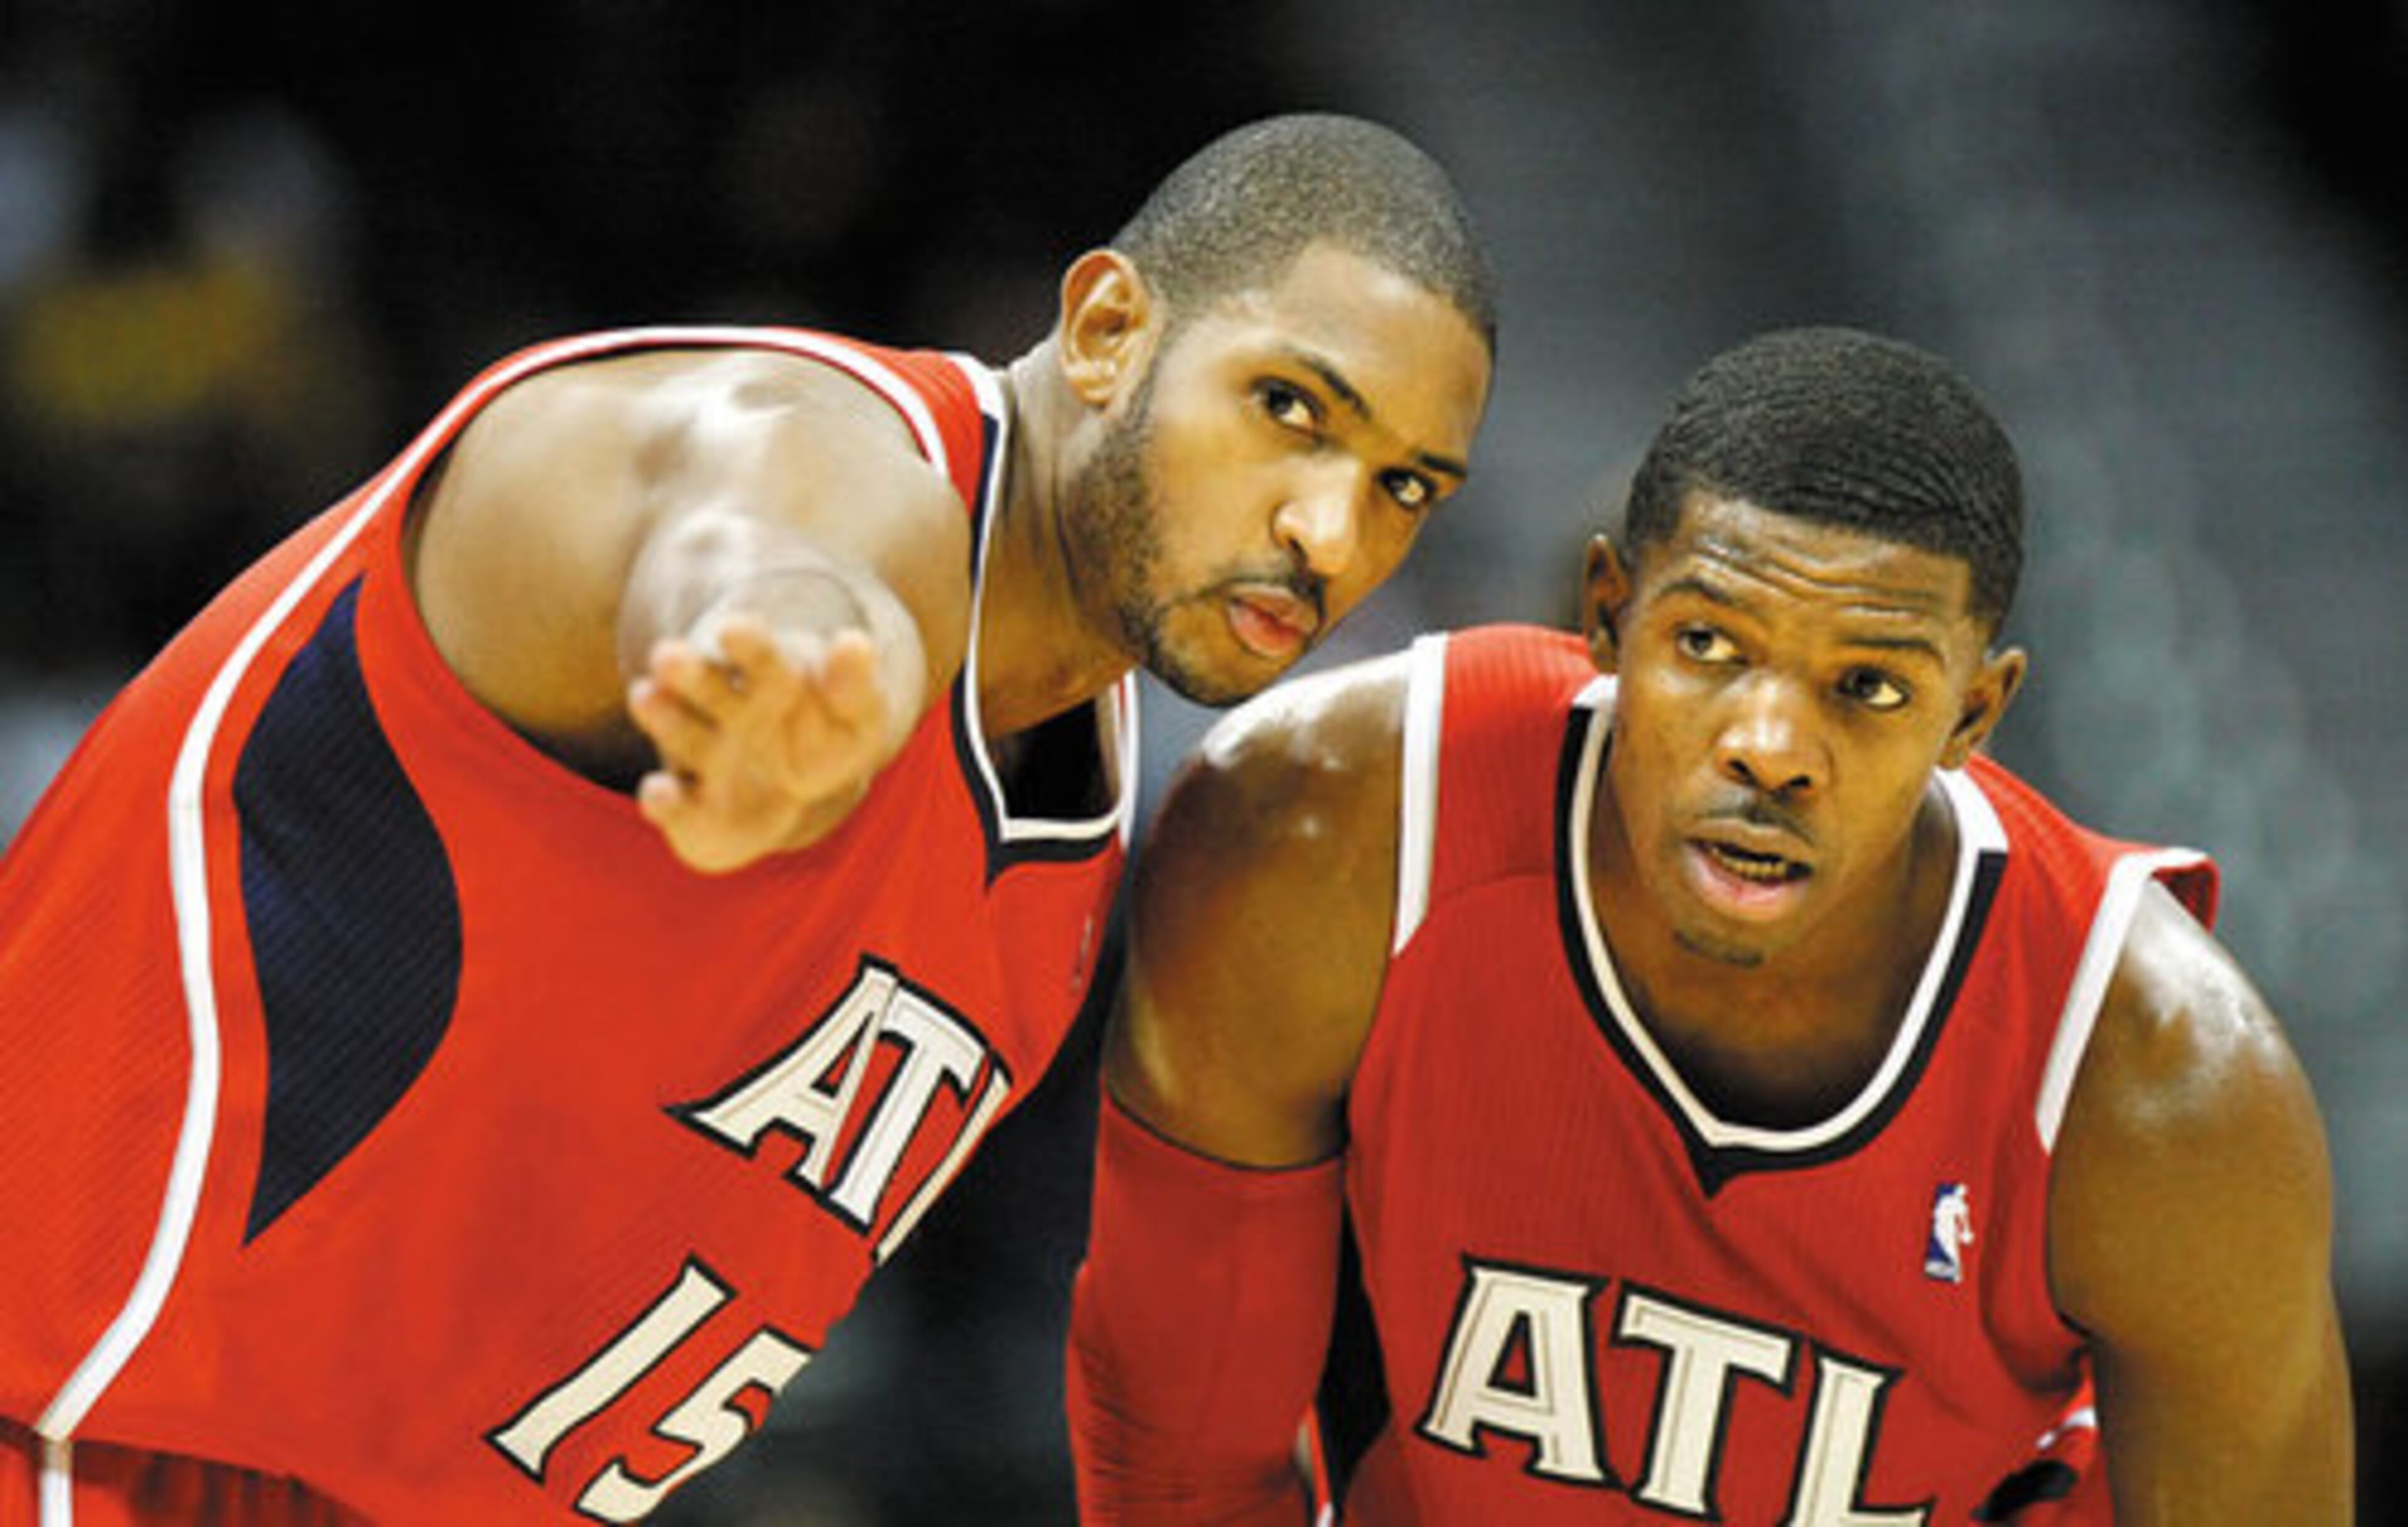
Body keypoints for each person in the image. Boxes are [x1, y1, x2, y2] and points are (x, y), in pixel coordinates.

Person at [0, 112, 1496, 1524]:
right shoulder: (820, 452)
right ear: (1110, 330)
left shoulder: (1082, 832)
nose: (1329, 532)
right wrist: (784, 641)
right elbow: (762, 525)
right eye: (1290, 409)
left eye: (1404, 488)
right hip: (87, 1444)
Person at [1068, 327, 2352, 1523]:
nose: (1771, 748)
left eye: (1868, 687)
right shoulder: (1329, 827)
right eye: (1710, 643)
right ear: (1608, 617)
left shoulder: (2163, 1088)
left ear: (1973, 716)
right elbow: (1179, 1456)